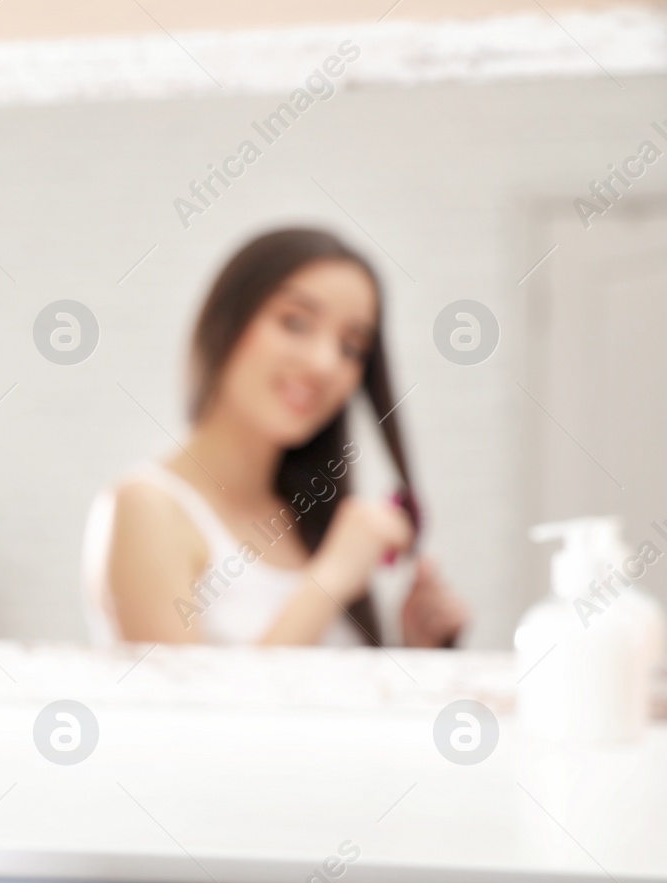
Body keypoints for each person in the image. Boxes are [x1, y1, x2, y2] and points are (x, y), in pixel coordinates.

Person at [83, 228, 467, 648]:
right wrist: (331, 578)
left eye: (351, 347)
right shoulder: (146, 507)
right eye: (296, 322)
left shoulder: (312, 515)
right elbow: (190, 712)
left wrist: (416, 652)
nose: (324, 363)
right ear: (226, 322)